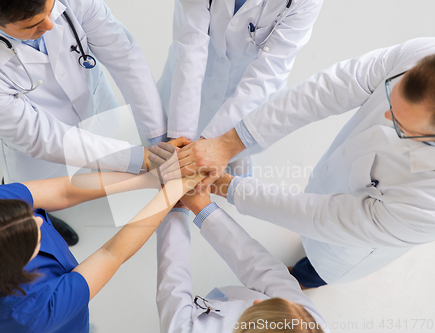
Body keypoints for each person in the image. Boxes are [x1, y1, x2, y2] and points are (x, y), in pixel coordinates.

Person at [159, 37, 435, 288]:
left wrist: (227, 187)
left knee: (315, 268)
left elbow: (324, 216)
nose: (385, 115)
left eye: (401, 125)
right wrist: (230, 142)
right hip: (341, 177)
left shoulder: (428, 204)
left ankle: (302, 277)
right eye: (390, 95)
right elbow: (330, 88)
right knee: (313, 205)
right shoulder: (424, 55)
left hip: (353, 240)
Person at [0, 0, 167, 245]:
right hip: (35, 144)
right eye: (33, 24)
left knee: (106, 147)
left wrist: (158, 139)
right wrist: (139, 159)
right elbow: (41, 137)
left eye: (52, 10)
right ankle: (34, 214)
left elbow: (125, 56)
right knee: (32, 194)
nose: (51, 24)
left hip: (92, 100)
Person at [0, 163, 203, 332]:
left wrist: (152, 177)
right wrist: (174, 190)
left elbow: (64, 191)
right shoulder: (32, 315)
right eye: (35, 237)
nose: (41, 219)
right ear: (19, 268)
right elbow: (112, 252)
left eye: (26, 211)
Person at [157, 0, 322, 175]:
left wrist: (214, 146)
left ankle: (233, 154)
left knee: (234, 146)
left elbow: (266, 74)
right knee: (170, 138)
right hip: (197, 73)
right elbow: (190, 46)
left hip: (251, 89)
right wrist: (181, 135)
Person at [156, 185, 330, 333]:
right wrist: (203, 209)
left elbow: (173, 287)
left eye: (256, 310)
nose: (257, 301)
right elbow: (262, 269)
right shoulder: (308, 324)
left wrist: (175, 212)